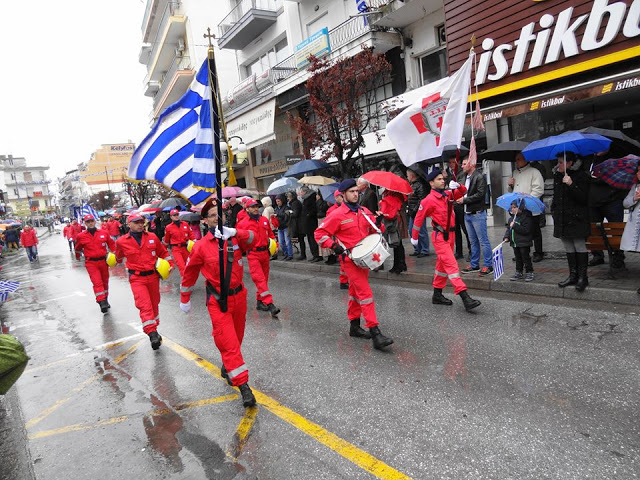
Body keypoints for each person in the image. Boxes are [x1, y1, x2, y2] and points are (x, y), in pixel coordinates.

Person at [179, 198, 257, 408]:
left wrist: (236, 233)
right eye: (212, 215)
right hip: (217, 300)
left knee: (236, 339)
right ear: (204, 221)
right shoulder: (201, 247)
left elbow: (254, 239)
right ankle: (243, 386)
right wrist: (185, 298)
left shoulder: (233, 237)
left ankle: (227, 364)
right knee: (229, 342)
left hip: (239, 297)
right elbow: (190, 274)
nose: (217, 218)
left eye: (219, 214)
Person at [314, 178, 394, 350]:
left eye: (357, 191)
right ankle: (375, 333)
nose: (355, 194)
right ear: (343, 194)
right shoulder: (336, 215)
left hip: (364, 259)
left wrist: (379, 223)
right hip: (349, 260)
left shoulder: (364, 211)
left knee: (355, 293)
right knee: (365, 293)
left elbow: (376, 231)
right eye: (352, 191)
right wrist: (334, 246)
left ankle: (354, 326)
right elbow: (319, 234)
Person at [411, 169, 482, 311]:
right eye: (439, 179)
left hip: (450, 236)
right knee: (452, 266)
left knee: (442, 267)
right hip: (440, 237)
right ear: (431, 183)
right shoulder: (428, 200)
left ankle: (437, 295)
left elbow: (463, 192)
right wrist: (414, 237)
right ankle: (465, 298)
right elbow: (418, 220)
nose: (443, 180)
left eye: (442, 178)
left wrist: (458, 186)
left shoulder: (448, 195)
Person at [115, 213, 174, 350]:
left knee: (154, 304)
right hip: (136, 278)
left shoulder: (152, 237)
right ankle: (152, 333)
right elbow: (118, 258)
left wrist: (170, 263)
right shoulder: (121, 241)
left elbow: (164, 253)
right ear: (129, 225)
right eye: (136, 222)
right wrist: (115, 259)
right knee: (144, 304)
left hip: (153, 277)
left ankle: (154, 328)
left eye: (141, 222)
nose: (140, 224)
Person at [552, 152, 591, 292]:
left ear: (569, 163)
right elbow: (556, 198)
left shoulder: (582, 176)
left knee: (579, 245)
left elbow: (583, 199)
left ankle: (583, 277)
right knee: (568, 247)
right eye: (558, 162)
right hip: (562, 218)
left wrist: (571, 184)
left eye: (561, 162)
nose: (558, 165)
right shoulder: (557, 176)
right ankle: (572, 276)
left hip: (577, 218)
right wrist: (554, 212)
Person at [237, 198, 281, 317]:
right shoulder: (242, 223)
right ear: (247, 209)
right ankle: (270, 304)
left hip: (265, 254)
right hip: (253, 254)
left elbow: (271, 235)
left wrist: (275, 245)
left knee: (264, 279)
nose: (256, 208)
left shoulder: (264, 220)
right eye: (252, 206)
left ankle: (260, 302)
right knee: (260, 279)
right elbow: (239, 240)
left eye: (256, 206)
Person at [587, 152, 628, 268]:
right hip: (594, 202)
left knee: (616, 231)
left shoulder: (614, 160)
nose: (597, 150)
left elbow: (617, 179)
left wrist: (596, 178)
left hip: (612, 201)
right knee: (594, 230)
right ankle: (597, 255)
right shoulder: (590, 160)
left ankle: (618, 257)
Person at [457, 156, 493, 276]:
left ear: (471, 164)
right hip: (467, 213)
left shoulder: (479, 176)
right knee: (473, 241)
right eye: (462, 164)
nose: (462, 166)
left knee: (483, 241)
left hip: (477, 213)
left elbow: (480, 194)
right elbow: (462, 192)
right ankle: (474, 264)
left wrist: (465, 200)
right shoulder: (464, 177)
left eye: (464, 164)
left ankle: (488, 265)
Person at [74, 214, 116, 313]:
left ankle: (105, 299)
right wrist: (77, 257)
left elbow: (111, 244)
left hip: (103, 261)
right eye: (88, 222)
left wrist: (115, 255)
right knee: (97, 282)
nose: (90, 223)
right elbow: (78, 248)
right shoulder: (81, 236)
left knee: (105, 282)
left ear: (95, 221)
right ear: (85, 223)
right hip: (91, 263)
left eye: (92, 221)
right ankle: (101, 302)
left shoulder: (104, 233)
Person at [508, 153, 545, 262]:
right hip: (517, 208)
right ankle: (522, 253)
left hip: (530, 208)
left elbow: (538, 189)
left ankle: (538, 252)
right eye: (516, 159)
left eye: (519, 159)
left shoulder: (534, 172)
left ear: (525, 160)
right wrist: (510, 185)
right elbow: (511, 191)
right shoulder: (514, 173)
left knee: (535, 231)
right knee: (519, 231)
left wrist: (527, 201)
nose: (516, 162)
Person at [503, 201, 534, 282]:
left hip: (524, 242)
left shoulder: (526, 218)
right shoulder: (511, 219)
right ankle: (518, 271)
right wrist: (506, 237)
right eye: (512, 207)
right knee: (518, 258)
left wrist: (515, 226)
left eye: (514, 207)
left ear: (520, 208)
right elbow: (508, 230)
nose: (512, 209)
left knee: (525, 257)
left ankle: (529, 271)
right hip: (515, 242)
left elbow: (526, 230)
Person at [380, 189, 407, 274]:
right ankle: (398, 265)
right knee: (397, 243)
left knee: (398, 242)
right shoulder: (389, 192)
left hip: (396, 219)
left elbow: (398, 205)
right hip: (395, 218)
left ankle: (400, 265)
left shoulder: (396, 192)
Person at [163, 209, 196, 278]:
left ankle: (187, 282)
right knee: (182, 267)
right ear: (171, 217)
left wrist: (196, 243)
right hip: (176, 249)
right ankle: (185, 286)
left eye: (177, 214)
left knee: (188, 266)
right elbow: (166, 240)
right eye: (174, 215)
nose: (176, 216)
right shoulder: (168, 227)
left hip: (186, 248)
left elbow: (191, 234)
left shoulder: (185, 224)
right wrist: (163, 252)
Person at [620, 165, 640, 277]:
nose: (638, 173)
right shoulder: (635, 187)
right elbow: (625, 203)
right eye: (638, 171)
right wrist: (634, 198)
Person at [326, 191, 348, 288]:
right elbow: (329, 227)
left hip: (348, 237)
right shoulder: (331, 210)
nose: (342, 198)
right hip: (339, 238)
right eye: (340, 196)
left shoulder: (348, 207)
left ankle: (345, 280)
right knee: (344, 260)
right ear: (336, 198)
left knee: (347, 261)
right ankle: (343, 282)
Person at [406, 169, 430, 258]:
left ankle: (424, 249)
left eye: (408, 175)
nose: (407, 177)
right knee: (412, 230)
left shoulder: (419, 185)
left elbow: (421, 200)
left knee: (421, 231)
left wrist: (415, 210)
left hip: (418, 212)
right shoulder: (413, 185)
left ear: (412, 176)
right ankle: (417, 248)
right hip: (413, 211)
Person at [299, 186, 321, 262]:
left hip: (311, 222)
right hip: (307, 222)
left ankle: (317, 255)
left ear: (305, 192)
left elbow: (312, 210)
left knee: (313, 239)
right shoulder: (305, 199)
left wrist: (308, 215)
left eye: (301, 192)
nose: (300, 193)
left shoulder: (311, 198)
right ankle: (314, 255)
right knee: (310, 239)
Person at [274, 195, 293, 260]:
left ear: (282, 201)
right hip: (279, 227)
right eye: (276, 201)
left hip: (285, 226)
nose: (277, 203)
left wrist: (277, 215)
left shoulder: (286, 207)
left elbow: (286, 216)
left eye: (278, 201)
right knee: (281, 243)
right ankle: (286, 254)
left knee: (287, 242)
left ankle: (290, 255)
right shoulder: (276, 208)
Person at [286, 191, 303, 259]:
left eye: (288, 197)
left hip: (298, 223)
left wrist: (289, 213)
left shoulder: (295, 203)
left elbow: (295, 214)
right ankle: (302, 254)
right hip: (298, 223)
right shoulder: (294, 202)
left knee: (301, 239)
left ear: (291, 197)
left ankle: (303, 254)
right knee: (300, 239)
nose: (287, 198)